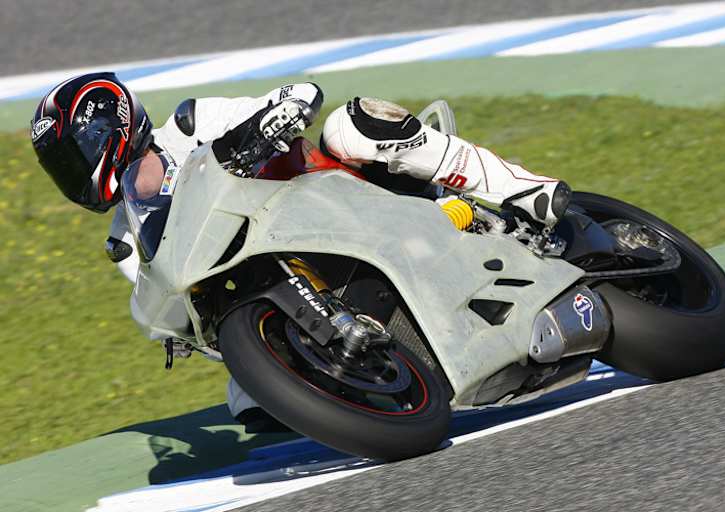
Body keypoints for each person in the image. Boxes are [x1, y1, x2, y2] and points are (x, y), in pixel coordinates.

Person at [31, 72, 570, 431]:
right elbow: (183, 306)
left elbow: (293, 96)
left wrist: (283, 110)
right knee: (246, 400)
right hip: (284, 269)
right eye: (62, 167)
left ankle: (519, 189)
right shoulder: (126, 239)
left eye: (73, 153)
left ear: (111, 125)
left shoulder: (191, 124)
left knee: (350, 125)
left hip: (341, 194)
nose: (73, 172)